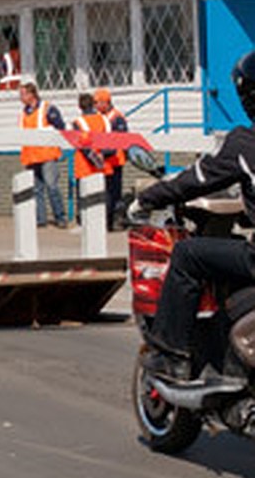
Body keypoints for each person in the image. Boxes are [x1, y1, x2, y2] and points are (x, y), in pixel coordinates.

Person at [134, 51, 255, 386]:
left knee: (188, 254)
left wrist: (146, 198)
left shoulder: (245, 143)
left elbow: (194, 180)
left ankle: (170, 355)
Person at [19, 81, 67, 228]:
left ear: (32, 94)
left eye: (23, 94)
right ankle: (41, 219)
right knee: (36, 190)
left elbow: (61, 127)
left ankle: (60, 217)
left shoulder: (47, 109)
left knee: (52, 187)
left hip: (47, 154)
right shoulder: (23, 113)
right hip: (31, 156)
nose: (21, 97)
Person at [71, 92, 109, 222]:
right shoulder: (104, 119)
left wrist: (94, 159)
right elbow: (111, 141)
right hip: (103, 163)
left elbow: (82, 144)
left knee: (83, 194)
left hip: (84, 164)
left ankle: (83, 219)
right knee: (102, 193)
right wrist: (101, 157)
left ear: (79, 106)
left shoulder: (78, 122)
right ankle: (103, 218)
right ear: (93, 104)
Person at [94, 87, 128, 230]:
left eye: (97, 103)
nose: (95, 106)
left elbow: (120, 139)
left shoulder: (116, 118)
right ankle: (107, 221)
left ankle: (114, 221)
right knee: (106, 193)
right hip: (104, 161)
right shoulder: (100, 117)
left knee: (114, 193)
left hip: (115, 160)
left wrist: (105, 152)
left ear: (105, 103)